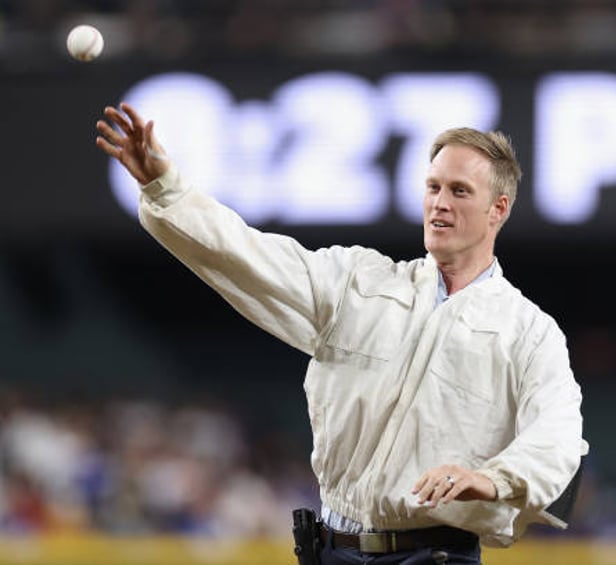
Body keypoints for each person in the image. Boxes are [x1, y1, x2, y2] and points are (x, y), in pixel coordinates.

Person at [95, 102, 587, 565]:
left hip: (436, 552)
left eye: (460, 191)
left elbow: (560, 438)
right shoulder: (360, 281)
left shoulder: (527, 331)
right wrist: (167, 191)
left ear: (498, 209)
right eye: (433, 187)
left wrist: (492, 480)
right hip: (332, 547)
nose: (439, 203)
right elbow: (249, 256)